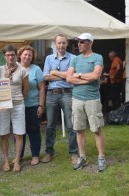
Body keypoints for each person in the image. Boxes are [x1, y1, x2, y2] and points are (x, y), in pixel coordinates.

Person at [66, 32, 106, 172]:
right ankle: (82, 157)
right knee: (79, 129)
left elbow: (96, 76)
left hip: (92, 99)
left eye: (82, 42)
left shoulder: (97, 57)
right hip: (77, 99)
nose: (79, 44)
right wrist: (86, 79)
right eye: (78, 42)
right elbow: (69, 78)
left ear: (90, 43)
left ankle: (101, 158)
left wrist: (80, 75)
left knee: (96, 129)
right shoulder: (75, 59)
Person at [42, 34, 78, 164]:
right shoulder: (49, 58)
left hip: (67, 93)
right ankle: (49, 152)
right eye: (59, 43)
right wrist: (65, 76)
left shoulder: (73, 58)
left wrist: (55, 72)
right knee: (50, 125)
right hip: (52, 94)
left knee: (71, 124)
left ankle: (74, 152)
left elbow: (73, 76)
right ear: (55, 44)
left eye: (63, 43)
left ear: (66, 44)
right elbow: (45, 76)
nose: (61, 45)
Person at [0, 44, 29, 172]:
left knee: (19, 133)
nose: (10, 57)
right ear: (4, 56)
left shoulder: (22, 70)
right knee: (4, 133)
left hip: (17, 104)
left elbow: (26, 89)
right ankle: (6, 161)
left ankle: (16, 160)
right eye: (8, 55)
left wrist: (20, 99)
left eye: (12, 55)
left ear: (16, 55)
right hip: (3, 105)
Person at [18, 45, 45, 166]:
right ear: (20, 55)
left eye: (30, 55)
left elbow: (42, 88)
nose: (27, 57)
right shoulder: (15, 68)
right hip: (18, 106)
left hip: (33, 105)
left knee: (34, 131)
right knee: (19, 132)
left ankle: (35, 155)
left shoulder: (36, 69)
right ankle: (19, 155)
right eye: (25, 54)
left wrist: (41, 105)